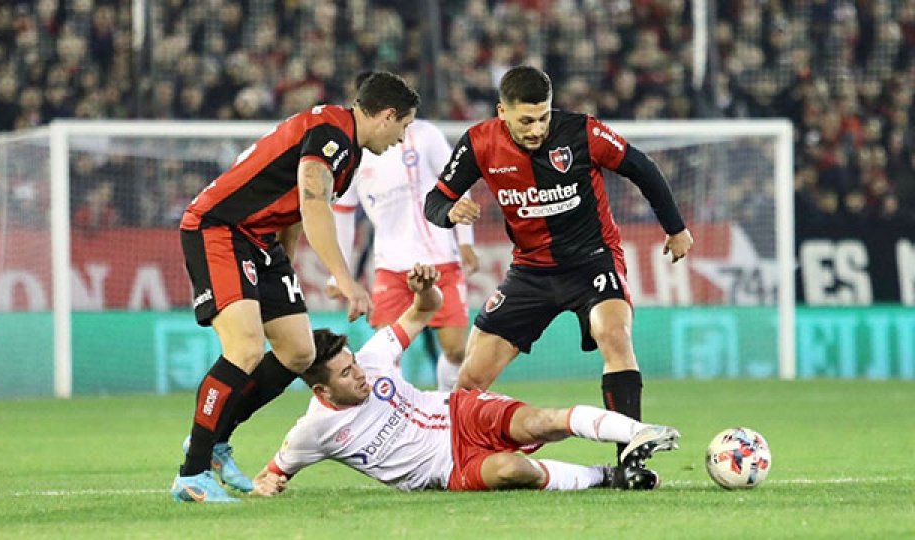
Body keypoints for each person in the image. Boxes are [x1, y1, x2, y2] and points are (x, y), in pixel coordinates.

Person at [424, 65, 694, 461]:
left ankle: (629, 459)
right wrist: (449, 212)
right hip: (530, 272)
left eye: (544, 117)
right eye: (526, 121)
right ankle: (456, 459)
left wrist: (675, 228)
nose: (536, 129)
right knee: (470, 378)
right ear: (503, 112)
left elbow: (642, 168)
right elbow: (435, 199)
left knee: (614, 336)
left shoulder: (582, 132)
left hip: (593, 262)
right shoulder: (480, 142)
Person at [172, 72, 420, 503]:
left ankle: (214, 445)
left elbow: (288, 209)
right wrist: (345, 278)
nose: (402, 139)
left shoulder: (347, 148)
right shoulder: (332, 135)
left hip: (259, 241)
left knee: (299, 351)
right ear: (387, 116)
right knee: (245, 349)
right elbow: (311, 200)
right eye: (404, 126)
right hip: (221, 228)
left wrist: (281, 265)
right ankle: (192, 473)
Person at [251, 264, 680, 496]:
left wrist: (424, 292)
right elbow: (273, 473)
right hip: (449, 469)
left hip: (460, 414)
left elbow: (424, 311)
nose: (360, 374)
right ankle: (607, 478)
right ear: (321, 391)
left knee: (539, 422)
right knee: (512, 470)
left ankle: (641, 432)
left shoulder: (374, 356)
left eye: (354, 364)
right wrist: (266, 485)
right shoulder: (313, 432)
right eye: (347, 373)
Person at [329, 72, 480, 391]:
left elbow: (458, 183)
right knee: (386, 354)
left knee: (455, 348)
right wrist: (336, 273)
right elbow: (342, 213)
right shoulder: (352, 152)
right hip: (391, 265)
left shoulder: (425, 135)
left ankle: (447, 412)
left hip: (439, 257)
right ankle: (394, 424)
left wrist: (465, 241)